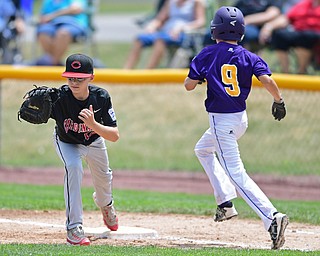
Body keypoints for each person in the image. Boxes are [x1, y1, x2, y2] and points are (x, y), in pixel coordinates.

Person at [184, 6, 289, 250]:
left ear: (214, 30)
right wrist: (278, 101)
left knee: (236, 173)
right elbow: (267, 80)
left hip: (221, 122)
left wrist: (200, 78)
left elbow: (188, 85)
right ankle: (225, 203)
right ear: (241, 32)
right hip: (240, 119)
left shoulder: (207, 53)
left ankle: (271, 217)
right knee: (202, 150)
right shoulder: (249, 55)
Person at [51, 53, 119, 245]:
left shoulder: (101, 97)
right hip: (67, 142)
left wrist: (93, 123)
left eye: (80, 78)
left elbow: (114, 135)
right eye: (71, 77)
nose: (74, 82)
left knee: (104, 180)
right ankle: (74, 227)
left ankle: (106, 206)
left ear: (91, 77)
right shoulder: (59, 98)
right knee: (73, 168)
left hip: (95, 141)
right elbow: (38, 113)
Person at [124, 0, 206, 69]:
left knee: (160, 40)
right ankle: (126, 71)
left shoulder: (196, 2)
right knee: (139, 39)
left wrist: (182, 28)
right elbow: (160, 19)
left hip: (184, 34)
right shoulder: (171, 2)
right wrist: (152, 26)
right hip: (166, 32)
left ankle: (147, 72)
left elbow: (200, 21)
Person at [259, 0, 320, 74]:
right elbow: (286, 18)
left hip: (314, 33)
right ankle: (285, 71)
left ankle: (301, 72)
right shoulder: (304, 4)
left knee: (306, 36)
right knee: (280, 35)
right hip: (298, 31)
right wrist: (269, 27)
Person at [35, 0, 89, 66]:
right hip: (52, 25)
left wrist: (52, 16)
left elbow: (75, 9)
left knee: (63, 33)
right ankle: (55, 63)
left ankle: (51, 65)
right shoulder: (48, 1)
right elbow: (43, 15)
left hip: (73, 23)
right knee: (43, 33)